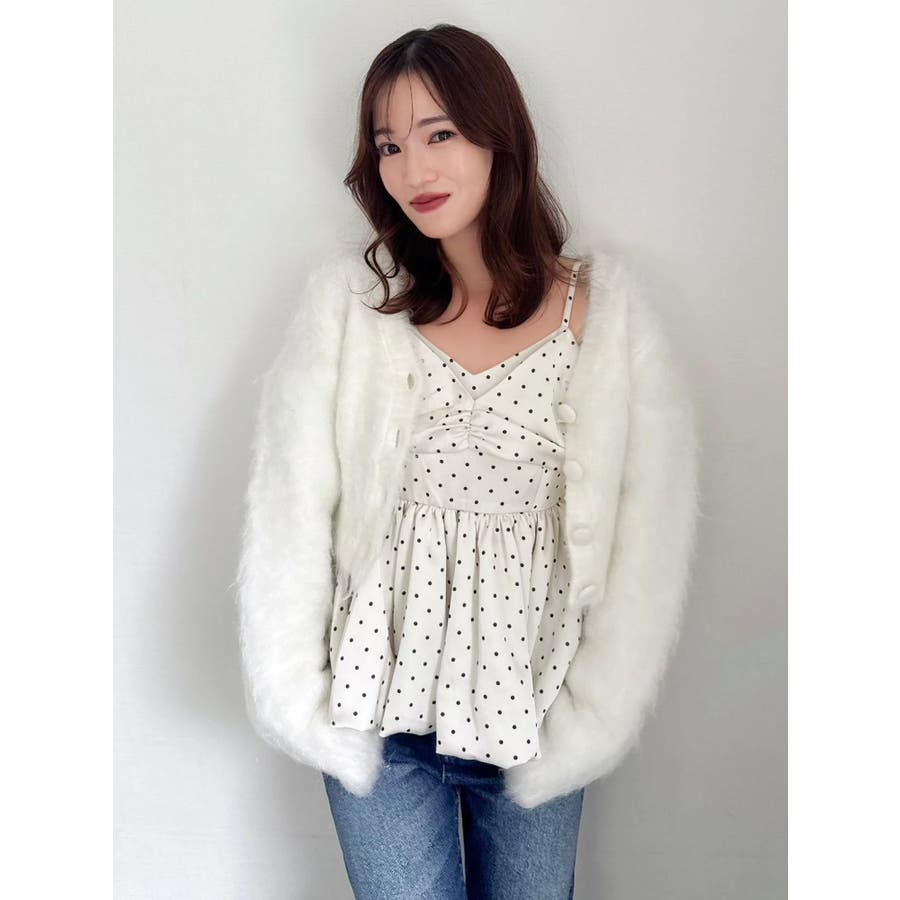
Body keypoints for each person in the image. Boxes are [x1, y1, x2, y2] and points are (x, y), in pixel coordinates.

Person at [236, 23, 700, 900]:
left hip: (534, 710)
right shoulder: (357, 302)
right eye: (389, 146)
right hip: (374, 705)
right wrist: (299, 688)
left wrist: (596, 710)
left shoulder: (601, 312)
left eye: (440, 133)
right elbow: (292, 504)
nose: (414, 169)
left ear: (499, 137)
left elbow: (651, 526)